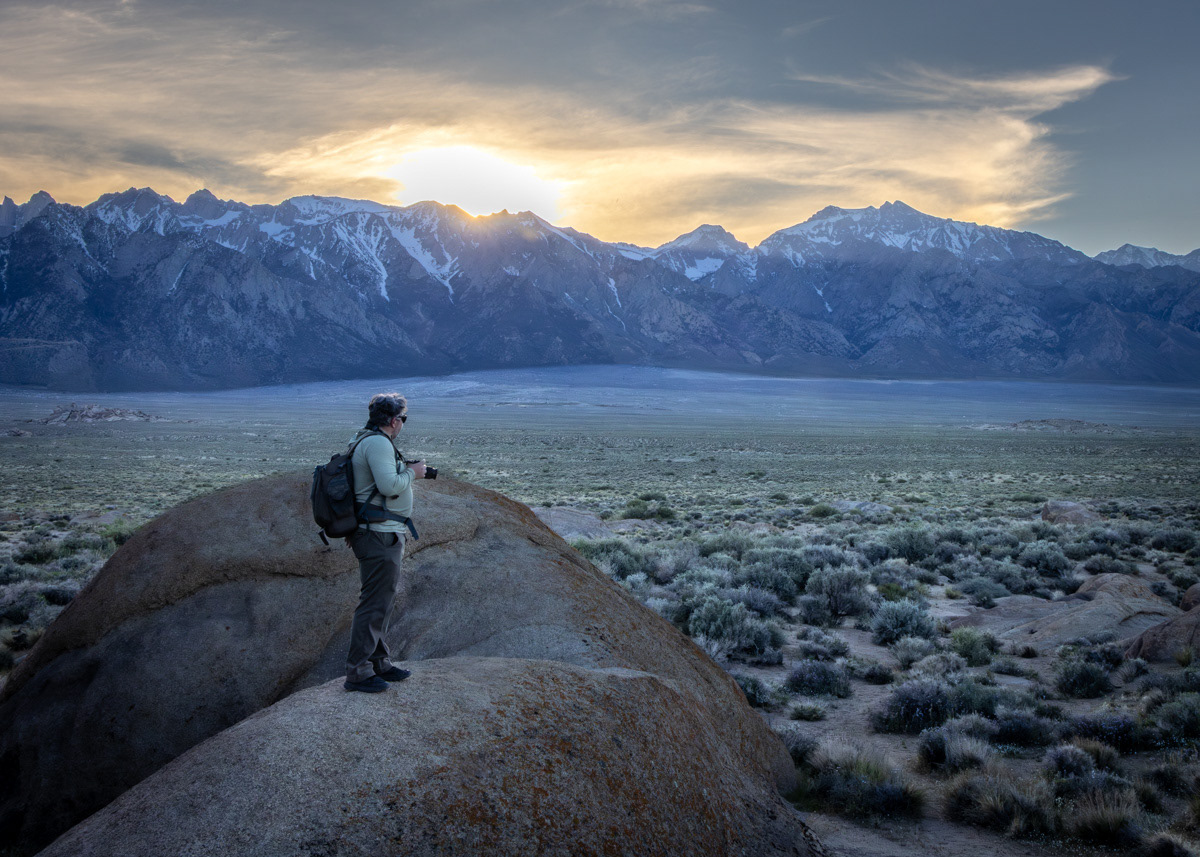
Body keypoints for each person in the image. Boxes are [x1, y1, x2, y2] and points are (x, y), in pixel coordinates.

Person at [343, 392, 427, 693]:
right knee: (374, 602)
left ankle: (379, 662)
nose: (402, 423)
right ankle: (358, 672)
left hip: (380, 531)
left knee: (382, 599)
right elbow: (389, 486)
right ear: (394, 420)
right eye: (403, 418)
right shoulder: (377, 442)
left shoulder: (366, 438)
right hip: (378, 533)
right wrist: (413, 473)